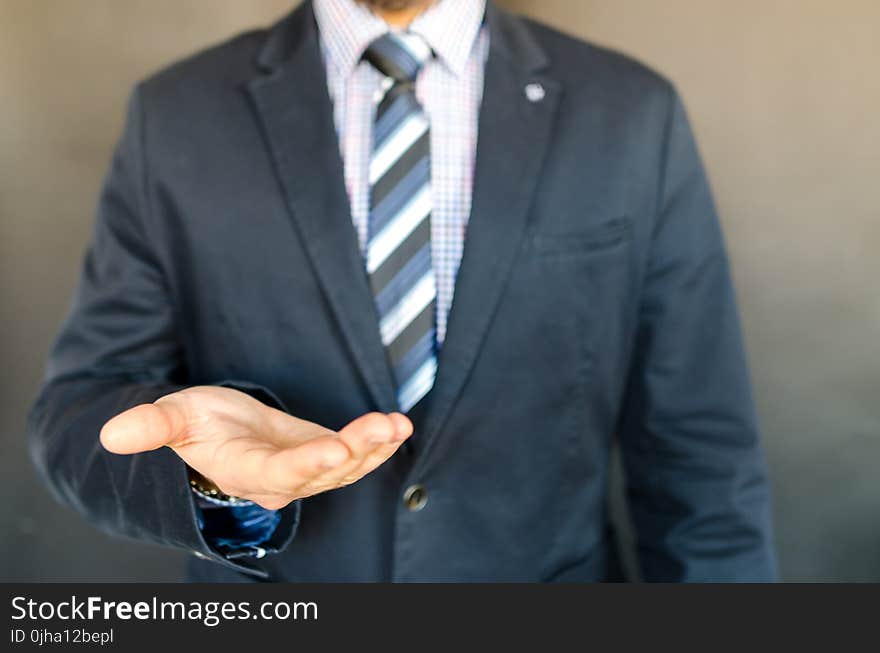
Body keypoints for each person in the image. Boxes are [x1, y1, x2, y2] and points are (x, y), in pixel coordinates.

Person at [27, 0, 777, 582]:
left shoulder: (633, 115)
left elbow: (701, 457)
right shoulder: (176, 115)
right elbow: (76, 410)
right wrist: (201, 476)